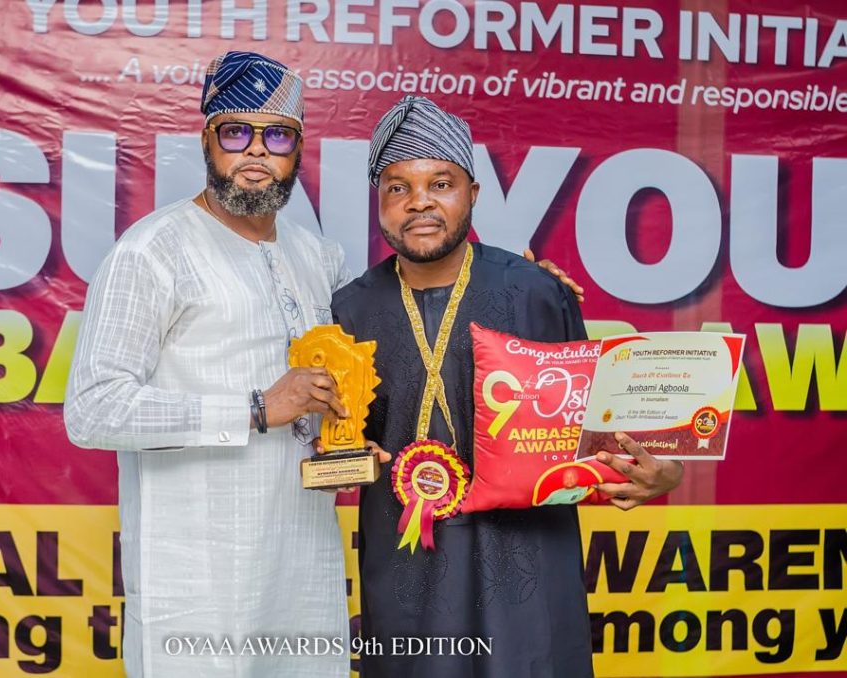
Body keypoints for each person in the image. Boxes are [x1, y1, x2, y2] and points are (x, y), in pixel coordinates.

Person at [331, 95, 684, 677]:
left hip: (527, 568)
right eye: (398, 187)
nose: (419, 202)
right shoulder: (350, 309)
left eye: (440, 183)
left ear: (472, 192)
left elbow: (600, 433)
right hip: (407, 569)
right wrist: (344, 460)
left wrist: (660, 473)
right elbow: (338, 447)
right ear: (380, 202)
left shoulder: (536, 293)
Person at [64, 51, 357, 678]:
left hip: (302, 569)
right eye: (236, 132)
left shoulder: (319, 257)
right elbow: (92, 409)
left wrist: (524, 290)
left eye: (277, 136)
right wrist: (256, 408)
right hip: (196, 583)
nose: (256, 151)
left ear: (298, 149)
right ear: (206, 140)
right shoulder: (153, 251)